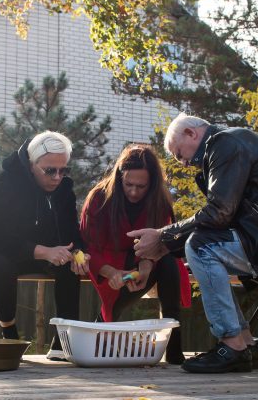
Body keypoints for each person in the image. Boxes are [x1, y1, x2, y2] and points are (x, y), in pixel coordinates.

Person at [129, 114, 258, 373]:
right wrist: (167, 242)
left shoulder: (225, 143)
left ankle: (232, 345)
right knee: (200, 244)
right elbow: (224, 220)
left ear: (192, 133)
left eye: (181, 154)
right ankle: (244, 345)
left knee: (200, 246)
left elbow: (219, 213)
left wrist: (164, 236)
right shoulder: (231, 143)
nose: (185, 164)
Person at [0, 131, 89, 360]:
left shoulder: (64, 190)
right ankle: (10, 338)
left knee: (68, 263)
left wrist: (77, 252)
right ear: (31, 165)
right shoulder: (5, 184)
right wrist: (46, 252)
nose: (57, 177)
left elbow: (70, 232)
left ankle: (62, 343)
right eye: (50, 170)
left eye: (63, 170)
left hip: (30, 249)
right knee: (0, 265)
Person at [79, 144, 190, 365]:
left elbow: (164, 242)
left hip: (146, 259)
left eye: (141, 186)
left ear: (152, 184)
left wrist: (147, 266)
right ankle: (102, 323)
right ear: (119, 177)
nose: (133, 191)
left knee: (169, 263)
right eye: (128, 184)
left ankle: (175, 347)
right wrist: (110, 271)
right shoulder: (99, 197)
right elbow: (87, 246)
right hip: (106, 262)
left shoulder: (160, 201)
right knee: (115, 302)